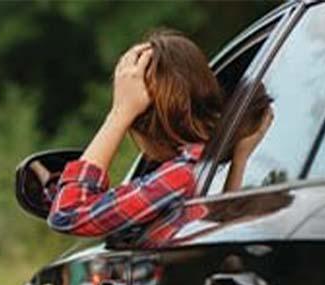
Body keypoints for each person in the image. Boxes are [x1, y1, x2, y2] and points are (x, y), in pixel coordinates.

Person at [47, 29, 271, 238]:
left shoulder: (180, 175)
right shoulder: (208, 164)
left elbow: (68, 214)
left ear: (140, 122)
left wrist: (119, 114)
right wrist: (240, 159)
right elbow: (223, 231)